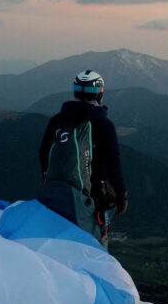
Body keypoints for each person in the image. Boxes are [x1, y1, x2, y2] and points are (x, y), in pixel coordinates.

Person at [38, 70, 128, 250]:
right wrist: (121, 194)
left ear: (75, 92)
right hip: (93, 201)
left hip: (56, 197)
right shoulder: (104, 125)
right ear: (99, 93)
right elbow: (113, 164)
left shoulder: (58, 120)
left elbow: (43, 153)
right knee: (95, 248)